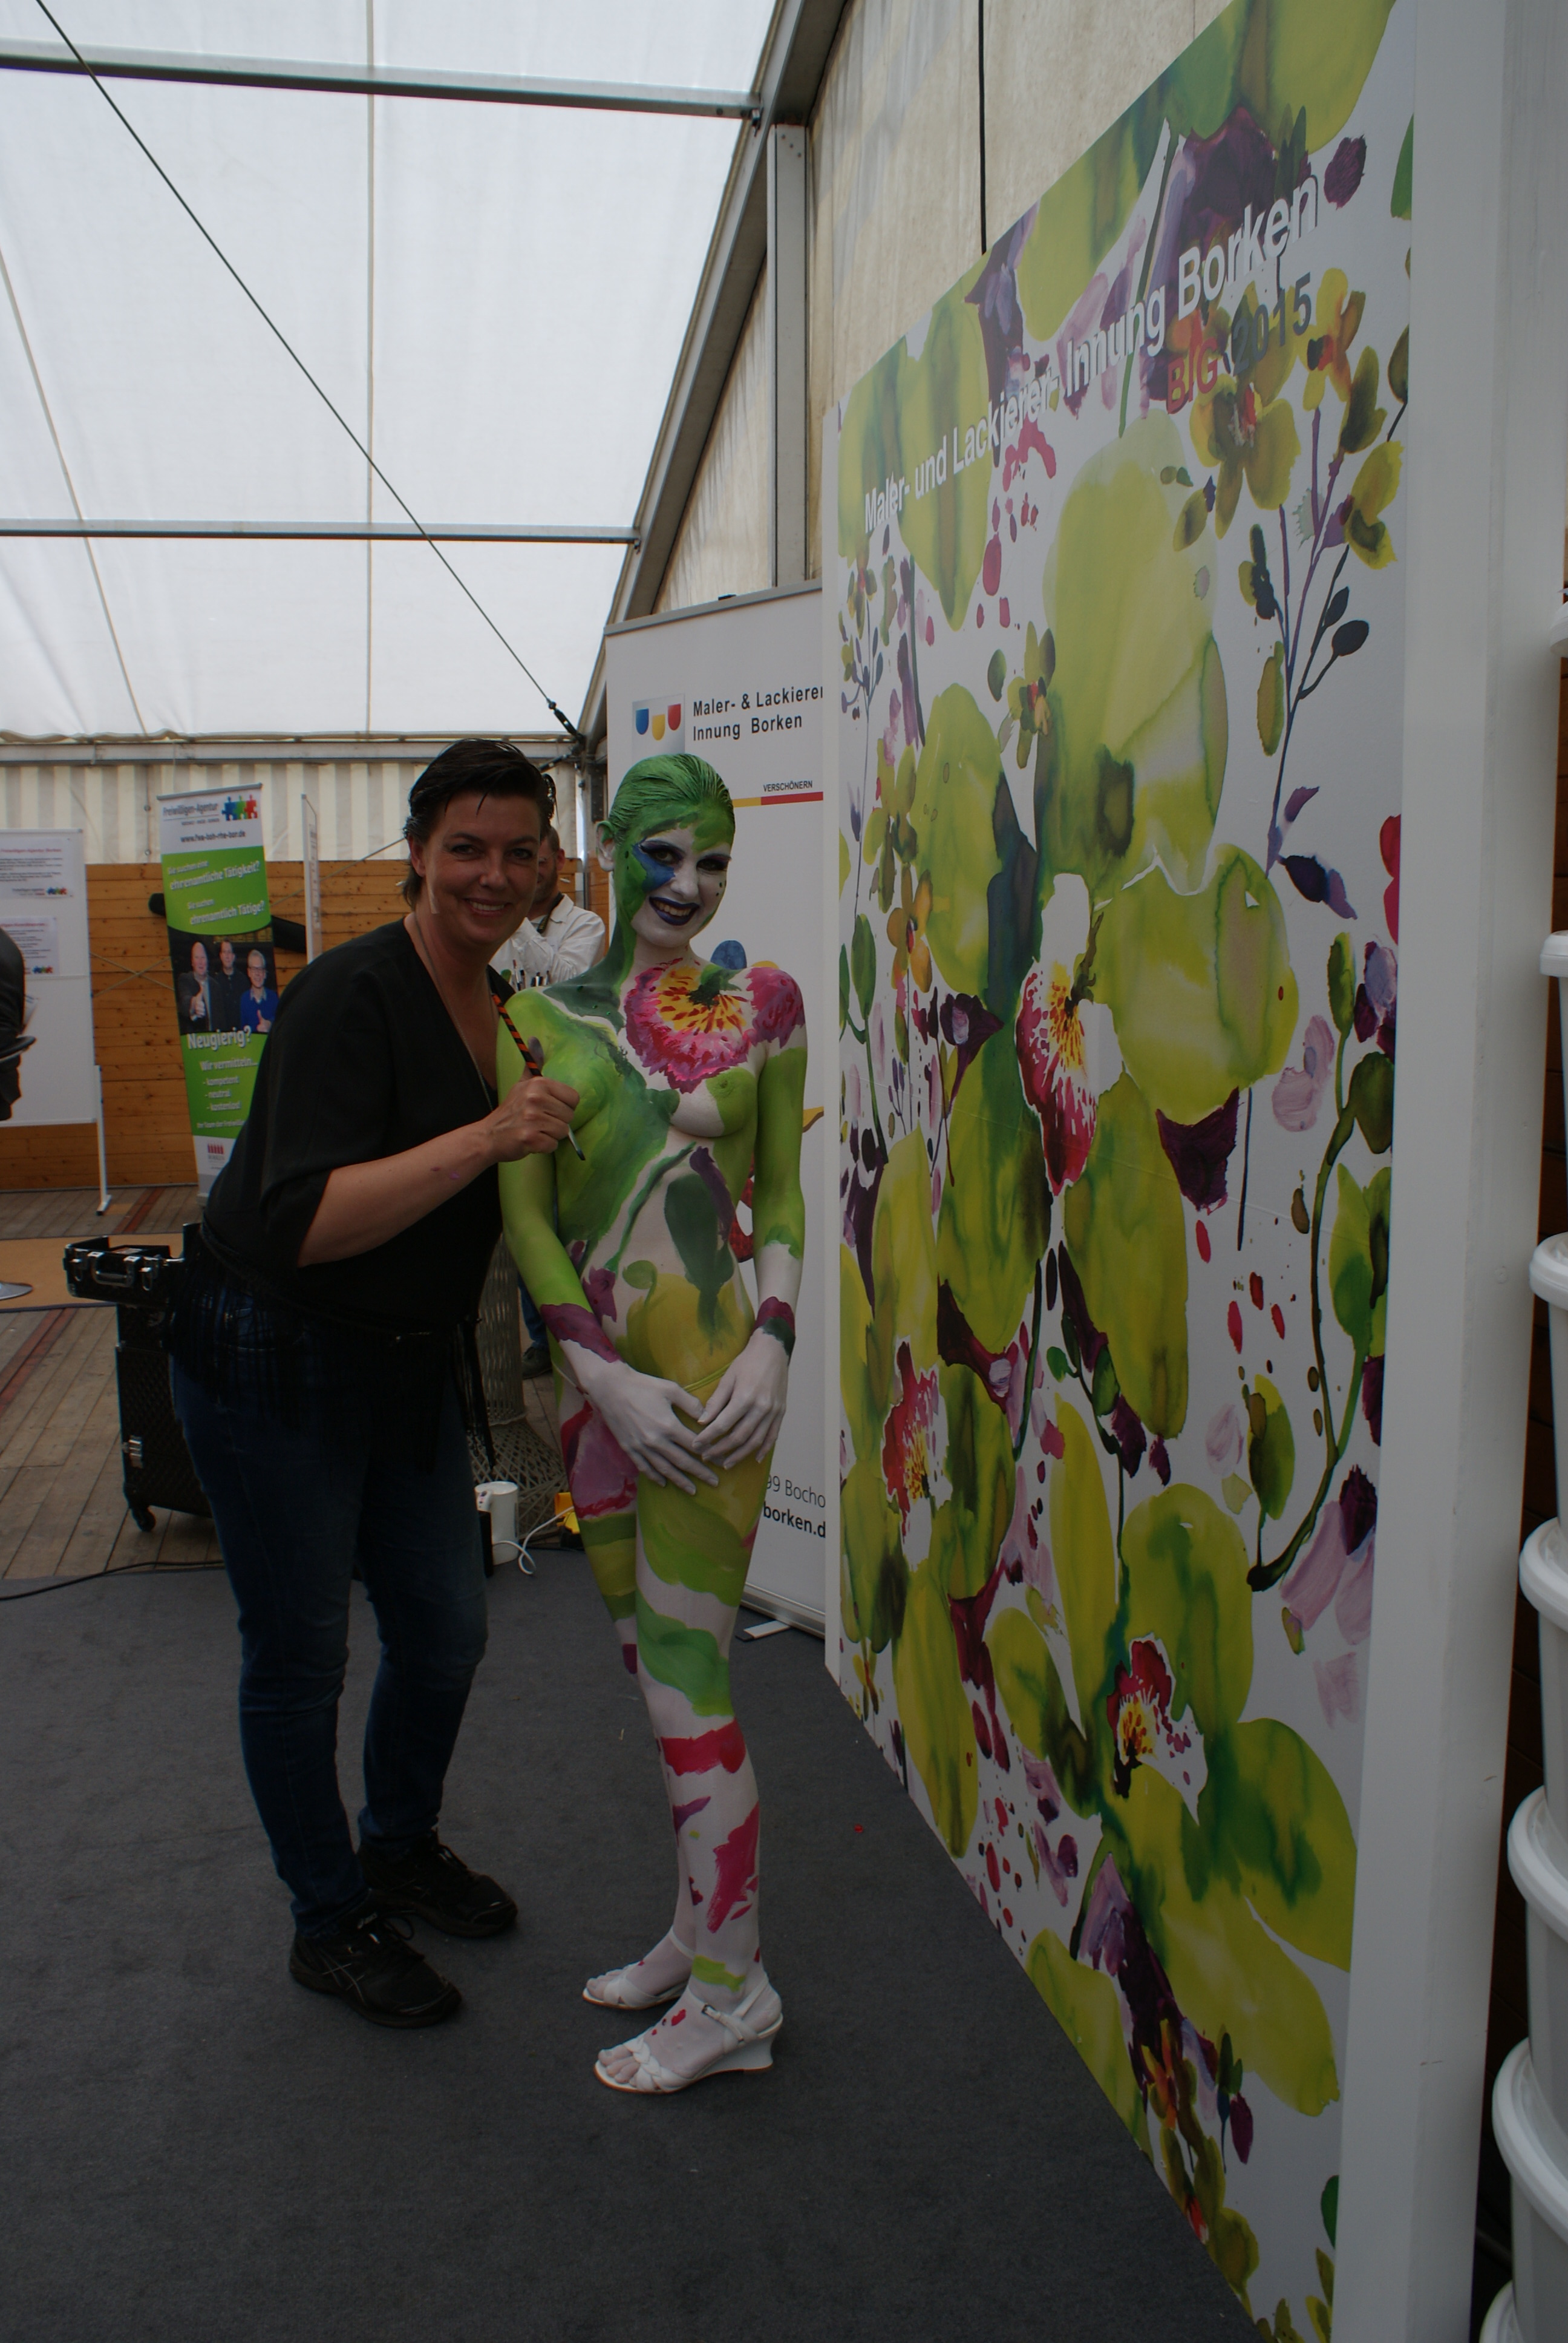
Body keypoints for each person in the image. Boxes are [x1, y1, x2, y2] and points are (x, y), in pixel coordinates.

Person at [168, 738, 579, 2028]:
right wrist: (490, 1136)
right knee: (299, 1656)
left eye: (518, 852)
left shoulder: (508, 1009)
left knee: (446, 1627)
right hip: (273, 1357)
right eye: (466, 848)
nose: (492, 874)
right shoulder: (349, 993)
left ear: (547, 866)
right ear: (416, 853)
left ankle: (397, 1845)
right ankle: (328, 1916)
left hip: (402, 1365)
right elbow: (302, 1222)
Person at [500, 752, 805, 2094]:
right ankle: (699, 1927)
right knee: (654, 1671)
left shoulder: (763, 1003)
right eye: (664, 855)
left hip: (712, 1389)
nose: (689, 885)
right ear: (610, 848)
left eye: (714, 860)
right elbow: (526, 1221)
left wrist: (778, 1339)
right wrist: (596, 1374)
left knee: (691, 1678)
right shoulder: (535, 1019)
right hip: (601, 1396)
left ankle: (738, 1996)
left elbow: (782, 1195)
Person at [498, 821, 604, 989]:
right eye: (520, 863)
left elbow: (567, 985)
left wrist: (517, 919)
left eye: (540, 862)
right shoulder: (495, 921)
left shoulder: (587, 924)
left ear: (560, 859)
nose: (530, 874)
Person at [238, 946, 279, 1035]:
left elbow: (280, 1024)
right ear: (249, 972)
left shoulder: (274, 998)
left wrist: (269, 1024)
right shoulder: (244, 1000)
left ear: (265, 974)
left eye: (260, 969)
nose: (257, 974)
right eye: (254, 969)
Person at [176, 938, 212, 1032]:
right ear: (192, 962)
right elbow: (184, 1001)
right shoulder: (185, 979)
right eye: (197, 957)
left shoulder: (215, 985)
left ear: (207, 961)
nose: (200, 962)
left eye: (203, 957)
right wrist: (194, 1003)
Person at [210, 938, 243, 1032]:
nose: (227, 956)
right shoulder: (215, 983)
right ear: (221, 956)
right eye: (224, 952)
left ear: (234, 956)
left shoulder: (243, 980)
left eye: (229, 952)